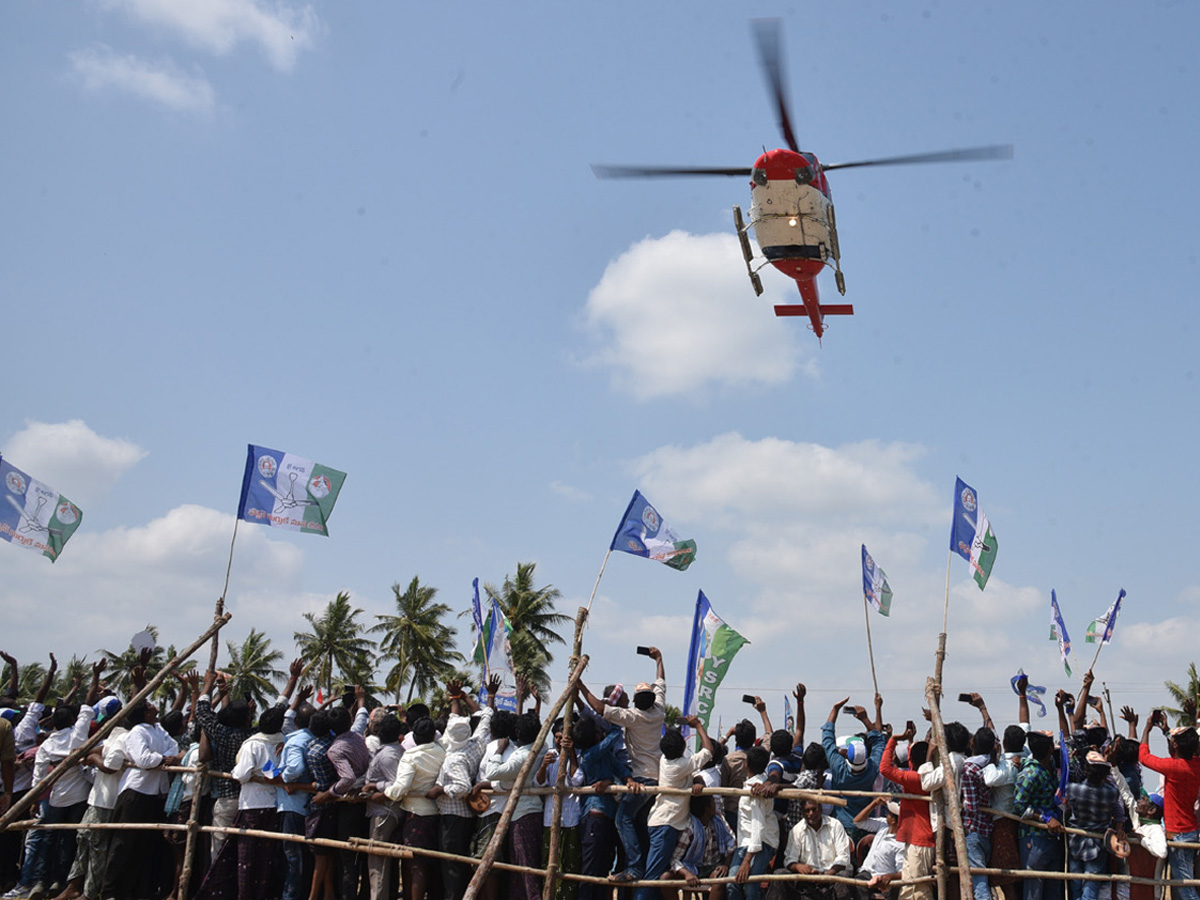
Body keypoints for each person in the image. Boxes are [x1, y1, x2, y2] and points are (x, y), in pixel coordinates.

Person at [579, 647, 666, 885]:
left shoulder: (632, 717)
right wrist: (659, 659)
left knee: (623, 819)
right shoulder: (659, 711)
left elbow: (599, 708)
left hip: (641, 778)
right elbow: (661, 682)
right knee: (639, 822)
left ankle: (635, 867)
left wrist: (580, 685)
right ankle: (644, 866)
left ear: (635, 702)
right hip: (659, 778)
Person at [100, 699, 182, 900]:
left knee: (142, 844)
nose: (154, 705)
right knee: (122, 844)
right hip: (136, 792)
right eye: (149, 705)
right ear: (145, 712)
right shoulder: (138, 732)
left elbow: (175, 747)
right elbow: (144, 760)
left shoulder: (158, 729)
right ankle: (109, 891)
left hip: (155, 793)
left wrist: (164, 756)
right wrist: (163, 758)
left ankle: (130, 890)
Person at [431, 677, 497, 900]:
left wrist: (441, 789)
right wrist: (486, 696)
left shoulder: (454, 759)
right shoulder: (475, 743)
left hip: (454, 815)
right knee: (460, 863)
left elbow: (462, 787)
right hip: (466, 816)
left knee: (452, 867)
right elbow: (486, 717)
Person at [638, 717, 714, 900]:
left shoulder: (666, 760)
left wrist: (697, 780)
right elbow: (708, 751)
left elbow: (694, 773)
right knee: (653, 876)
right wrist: (697, 726)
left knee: (659, 874)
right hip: (666, 824)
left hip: (665, 822)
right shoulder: (681, 765)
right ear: (682, 749)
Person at [1138, 708, 1200, 900]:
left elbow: (1144, 758)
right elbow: (1179, 754)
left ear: (1175, 746)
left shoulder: (1173, 768)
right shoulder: (1195, 765)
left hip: (1179, 833)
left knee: (1185, 887)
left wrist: (1147, 730)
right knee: (1185, 882)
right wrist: (1167, 732)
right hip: (1191, 830)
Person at [384, 716, 445, 900]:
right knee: (420, 863)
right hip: (436, 812)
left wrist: (385, 792)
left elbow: (401, 787)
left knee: (416, 865)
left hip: (416, 814)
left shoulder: (411, 757)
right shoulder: (442, 752)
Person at [878, 723, 933, 900]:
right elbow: (913, 763)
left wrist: (893, 740)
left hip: (920, 841)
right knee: (911, 888)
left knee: (918, 890)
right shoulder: (924, 777)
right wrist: (910, 741)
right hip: (917, 840)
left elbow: (885, 768)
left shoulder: (915, 779)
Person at [1064, 750, 1123, 900]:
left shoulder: (1073, 789)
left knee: (1076, 885)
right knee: (1091, 886)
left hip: (1076, 841)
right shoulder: (1112, 793)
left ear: (1086, 771)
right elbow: (1117, 809)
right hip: (1098, 843)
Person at [1014, 730, 1065, 900]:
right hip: (1034, 837)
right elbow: (1019, 806)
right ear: (1051, 748)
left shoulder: (1048, 767)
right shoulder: (1030, 774)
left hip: (1051, 838)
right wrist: (1045, 819)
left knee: (1054, 890)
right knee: (1034, 891)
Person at [768, 797, 852, 900]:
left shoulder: (835, 825)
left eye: (814, 809)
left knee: (844, 875)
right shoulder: (796, 830)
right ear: (802, 813)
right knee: (779, 874)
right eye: (807, 810)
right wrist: (799, 867)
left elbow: (843, 857)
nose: (811, 813)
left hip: (831, 878)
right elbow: (789, 859)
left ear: (820, 809)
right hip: (806, 881)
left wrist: (826, 876)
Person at [662, 793, 735, 900]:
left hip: (713, 866)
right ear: (707, 808)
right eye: (713, 803)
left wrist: (726, 865)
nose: (715, 806)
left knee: (719, 879)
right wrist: (687, 873)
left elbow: (732, 844)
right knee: (665, 878)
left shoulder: (719, 820)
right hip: (692, 866)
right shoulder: (689, 829)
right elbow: (674, 858)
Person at [729, 746, 777, 900]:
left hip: (760, 842)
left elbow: (758, 825)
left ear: (746, 764)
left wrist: (747, 860)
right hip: (746, 842)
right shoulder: (757, 783)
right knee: (732, 884)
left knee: (751, 886)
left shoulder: (756, 788)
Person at [851, 798, 905, 900]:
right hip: (867, 873)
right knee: (858, 883)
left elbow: (902, 871)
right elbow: (858, 821)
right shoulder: (883, 825)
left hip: (884, 879)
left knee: (892, 892)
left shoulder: (901, 844)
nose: (887, 815)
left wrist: (889, 877)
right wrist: (874, 804)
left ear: (893, 820)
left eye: (889, 814)